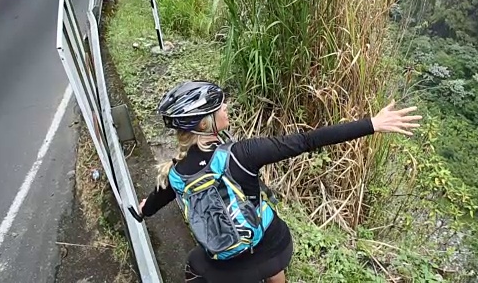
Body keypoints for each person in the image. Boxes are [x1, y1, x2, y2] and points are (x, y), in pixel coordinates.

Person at [136, 81, 423, 283]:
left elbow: (158, 198)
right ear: (204, 124)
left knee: (194, 266)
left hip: (227, 268)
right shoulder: (240, 154)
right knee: (268, 229)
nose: (225, 107)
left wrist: (144, 209)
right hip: (274, 249)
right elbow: (306, 140)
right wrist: (372, 123)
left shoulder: (175, 175)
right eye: (218, 106)